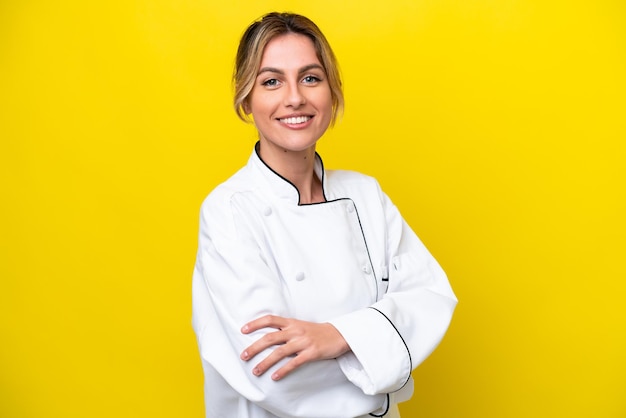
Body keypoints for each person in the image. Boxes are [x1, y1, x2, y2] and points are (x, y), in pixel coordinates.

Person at [191, 12, 457, 418]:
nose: (295, 97)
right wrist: (379, 353)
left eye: (311, 78)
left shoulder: (365, 194)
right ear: (246, 99)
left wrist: (335, 336)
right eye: (271, 81)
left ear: (331, 92)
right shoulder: (229, 210)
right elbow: (271, 370)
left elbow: (431, 300)